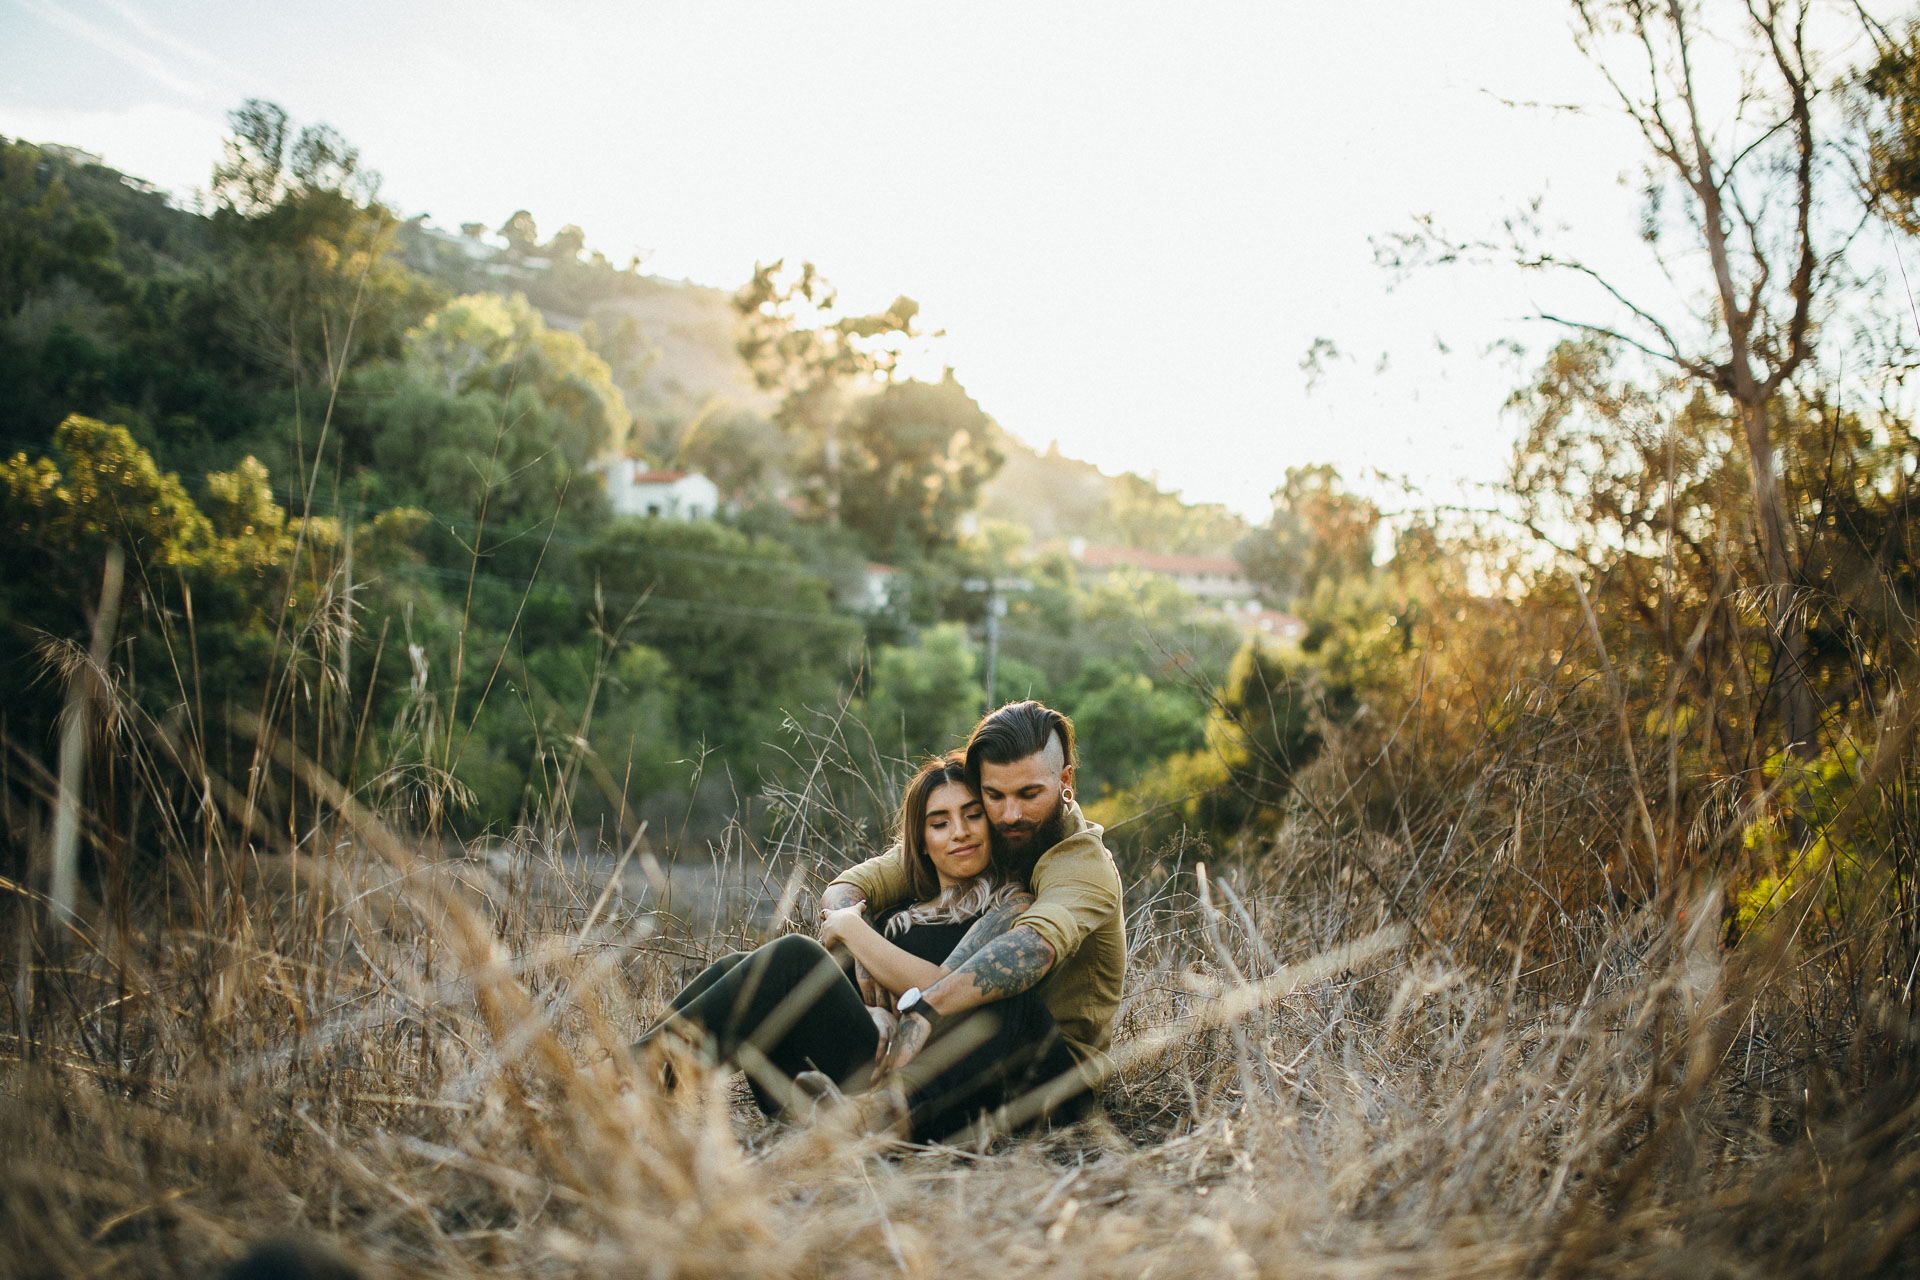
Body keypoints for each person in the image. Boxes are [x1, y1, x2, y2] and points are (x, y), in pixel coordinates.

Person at [633, 753, 1032, 1119]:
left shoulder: (1009, 906)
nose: (959, 832)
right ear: (923, 842)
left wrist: (855, 932)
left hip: (892, 1077)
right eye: (940, 823)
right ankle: (633, 1079)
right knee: (735, 966)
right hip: (825, 1064)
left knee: (793, 956)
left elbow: (956, 991)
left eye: (973, 815)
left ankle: (625, 1076)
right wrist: (872, 1005)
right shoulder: (904, 906)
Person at [823, 700, 1126, 1140]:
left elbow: (1033, 949)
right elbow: (848, 889)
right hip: (960, 1056)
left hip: (1050, 1080)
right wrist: (861, 946)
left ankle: (871, 1120)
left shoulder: (1083, 864)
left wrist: (924, 1007)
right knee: (824, 949)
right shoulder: (990, 829)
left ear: (1065, 782)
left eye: (1028, 794)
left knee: (1004, 990)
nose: (1010, 815)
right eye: (994, 795)